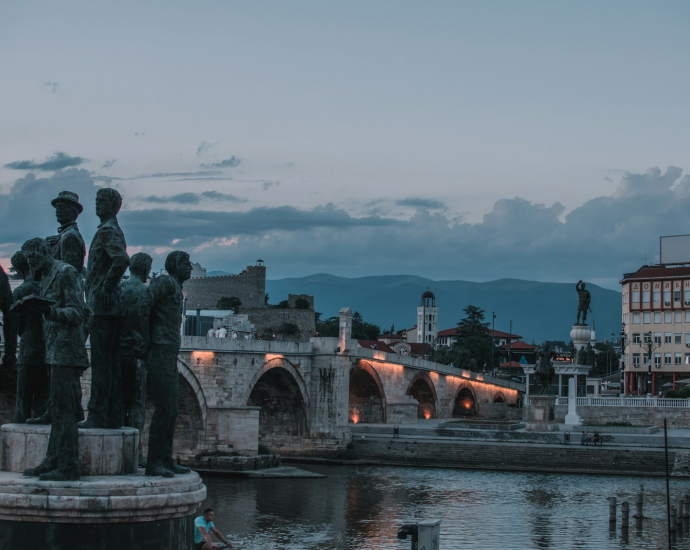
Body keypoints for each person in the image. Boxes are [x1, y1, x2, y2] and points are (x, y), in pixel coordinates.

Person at [20, 238, 89, 481]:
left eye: (33, 258)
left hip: (67, 353)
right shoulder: (46, 276)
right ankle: (53, 459)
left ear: (42, 252)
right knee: (57, 410)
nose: (31, 264)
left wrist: (50, 312)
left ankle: (69, 466)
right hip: (54, 352)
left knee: (64, 411)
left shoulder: (66, 272)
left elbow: (78, 312)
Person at [80, 188, 130, 430]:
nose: (97, 204)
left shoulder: (108, 230)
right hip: (108, 308)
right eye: (96, 200)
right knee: (110, 365)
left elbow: (121, 259)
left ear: (113, 206)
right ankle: (114, 415)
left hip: (103, 308)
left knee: (102, 364)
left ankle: (98, 415)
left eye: (102, 201)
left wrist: (104, 288)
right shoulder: (110, 228)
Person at [145, 250, 193, 478]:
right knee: (164, 408)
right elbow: (143, 304)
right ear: (175, 265)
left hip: (169, 351)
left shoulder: (175, 286)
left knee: (171, 409)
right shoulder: (164, 282)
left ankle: (166, 459)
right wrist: (145, 340)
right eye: (187, 263)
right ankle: (154, 463)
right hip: (159, 349)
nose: (191, 267)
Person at [119, 252, 153, 468]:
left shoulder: (118, 289)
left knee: (118, 403)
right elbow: (144, 325)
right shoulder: (144, 292)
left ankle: (116, 448)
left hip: (117, 353)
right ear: (146, 270)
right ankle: (135, 452)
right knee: (137, 404)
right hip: (136, 353)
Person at [10, 249, 49, 423]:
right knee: (43, 394)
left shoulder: (20, 291)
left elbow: (16, 324)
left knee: (23, 396)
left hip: (28, 346)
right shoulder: (45, 286)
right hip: (46, 346)